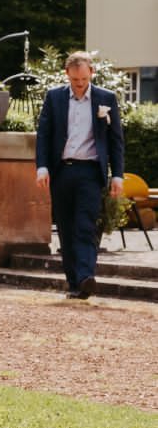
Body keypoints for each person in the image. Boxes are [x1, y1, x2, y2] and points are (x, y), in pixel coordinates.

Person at [35, 51, 125, 299]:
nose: (80, 84)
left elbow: (116, 140)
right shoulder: (54, 97)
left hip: (90, 172)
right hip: (61, 171)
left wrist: (118, 175)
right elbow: (44, 135)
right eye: (75, 80)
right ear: (67, 74)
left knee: (85, 225)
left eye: (84, 79)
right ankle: (75, 284)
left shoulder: (106, 98)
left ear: (91, 73)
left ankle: (86, 276)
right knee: (65, 228)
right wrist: (42, 167)